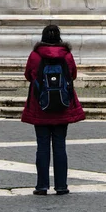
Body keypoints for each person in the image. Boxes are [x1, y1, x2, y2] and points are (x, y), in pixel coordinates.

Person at [21, 24, 85, 196]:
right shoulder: (67, 55)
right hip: (62, 106)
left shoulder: (35, 56)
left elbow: (28, 75)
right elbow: (73, 75)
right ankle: (61, 186)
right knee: (60, 146)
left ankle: (42, 186)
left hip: (40, 106)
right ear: (59, 38)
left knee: (42, 146)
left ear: (42, 38)